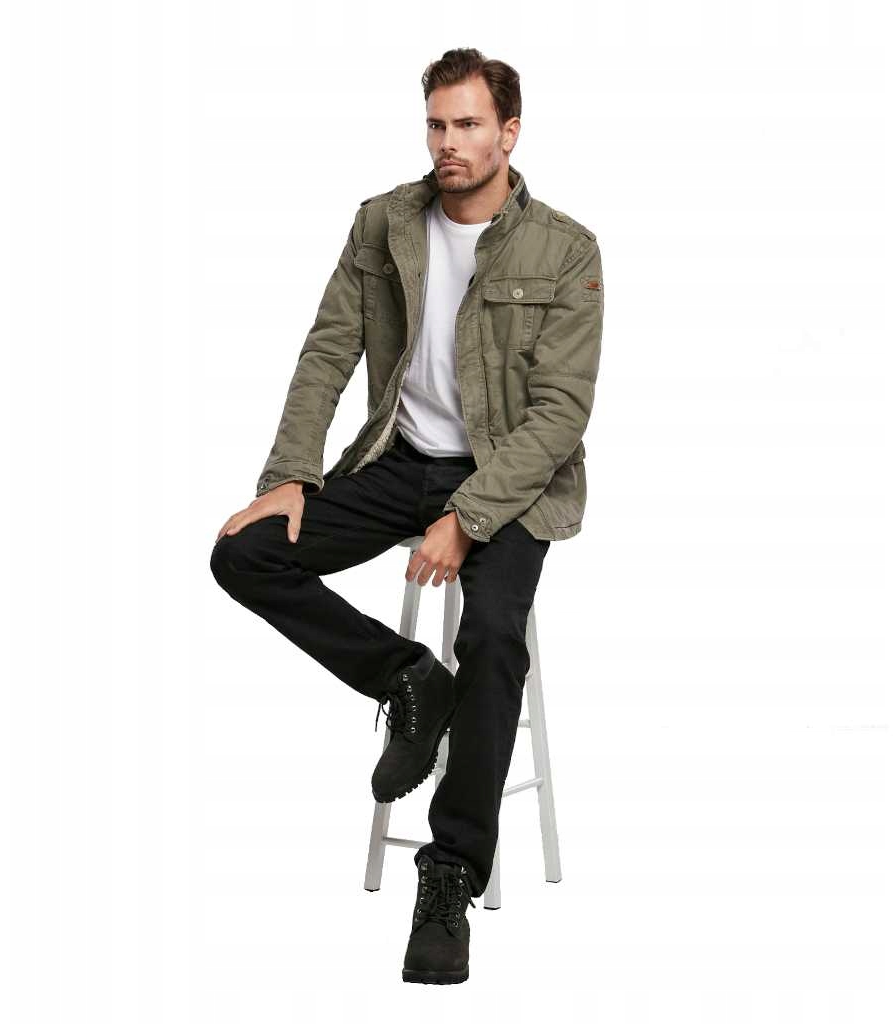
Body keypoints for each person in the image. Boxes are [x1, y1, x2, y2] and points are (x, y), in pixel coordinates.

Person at [210, 47, 604, 985]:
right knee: (243, 554)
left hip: (509, 481)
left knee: (495, 638)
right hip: (398, 464)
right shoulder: (384, 221)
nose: (448, 142)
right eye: (436, 124)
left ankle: (450, 873)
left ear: (510, 132)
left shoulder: (566, 248)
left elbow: (561, 414)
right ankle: (410, 680)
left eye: (468, 125)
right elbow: (328, 350)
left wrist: (468, 517)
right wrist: (290, 475)